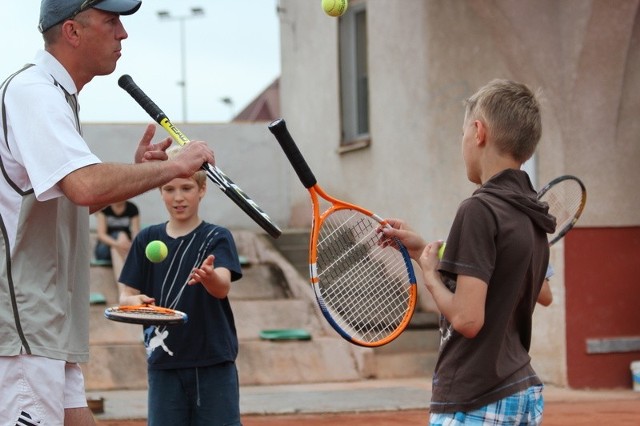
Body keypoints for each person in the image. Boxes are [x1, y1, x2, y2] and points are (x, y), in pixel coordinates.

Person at [0, 1, 217, 425]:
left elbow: (72, 198)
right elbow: (83, 186)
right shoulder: (35, 94)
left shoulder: (55, 97)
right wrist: (173, 166)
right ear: (72, 32)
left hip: (46, 322)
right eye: (111, 21)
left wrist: (146, 172)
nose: (123, 34)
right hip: (24, 326)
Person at [381, 79, 556, 425]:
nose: (462, 144)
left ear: (478, 132)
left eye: (462, 134)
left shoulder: (478, 209)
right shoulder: (533, 212)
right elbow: (537, 289)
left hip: (476, 398)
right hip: (521, 393)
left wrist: (430, 275)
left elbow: (467, 320)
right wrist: (424, 251)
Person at [118, 146, 243, 426]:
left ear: (201, 190)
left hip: (213, 361)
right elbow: (125, 296)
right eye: (169, 189)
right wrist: (132, 303)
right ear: (160, 191)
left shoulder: (217, 237)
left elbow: (222, 287)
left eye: (186, 188)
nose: (178, 198)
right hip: (164, 363)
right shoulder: (146, 238)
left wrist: (209, 277)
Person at [94, 200, 140, 287]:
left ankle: (122, 289)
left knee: (118, 244)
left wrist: (131, 246)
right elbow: (101, 235)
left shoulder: (132, 208)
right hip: (104, 248)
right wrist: (117, 243)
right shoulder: (104, 208)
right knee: (120, 234)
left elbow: (135, 233)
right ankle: (129, 282)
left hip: (123, 246)